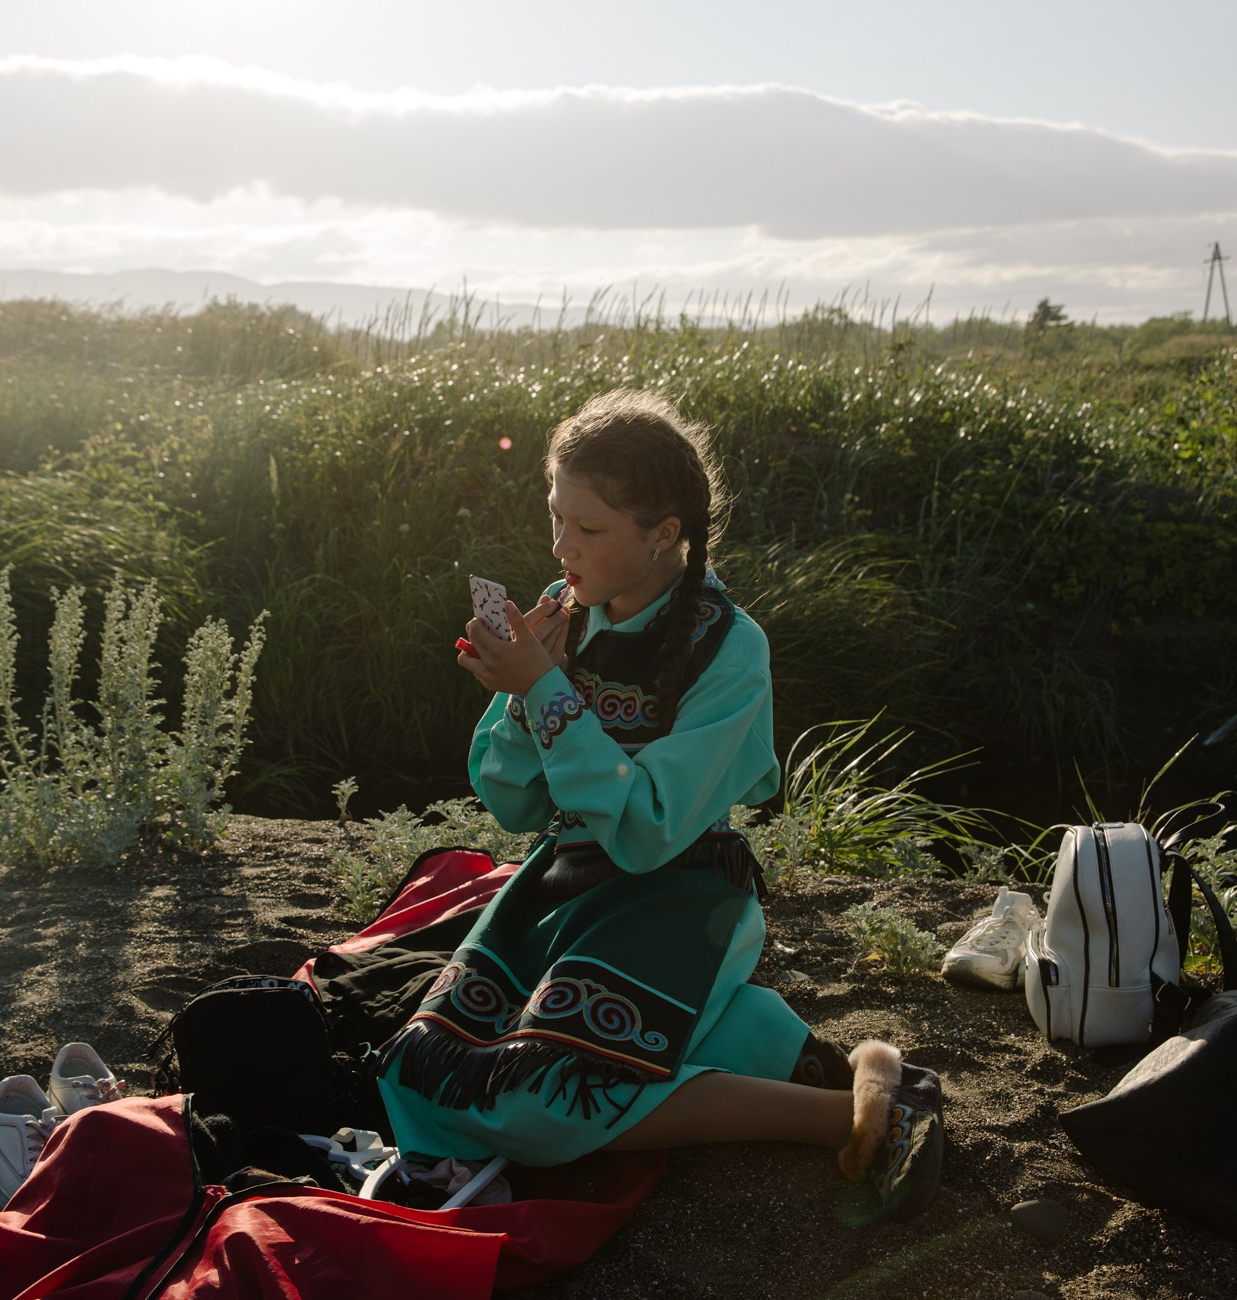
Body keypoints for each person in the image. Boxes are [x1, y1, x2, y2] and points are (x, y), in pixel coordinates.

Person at [373, 389, 943, 1223]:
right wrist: (526, 692)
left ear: (663, 534)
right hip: (564, 884)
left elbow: (648, 831)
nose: (562, 546)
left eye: (589, 528)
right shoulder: (568, 613)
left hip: (682, 893)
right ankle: (805, 1054)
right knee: (416, 1073)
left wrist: (545, 691)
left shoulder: (732, 649)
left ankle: (846, 1117)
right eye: (554, 517)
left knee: (540, 1102)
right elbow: (511, 800)